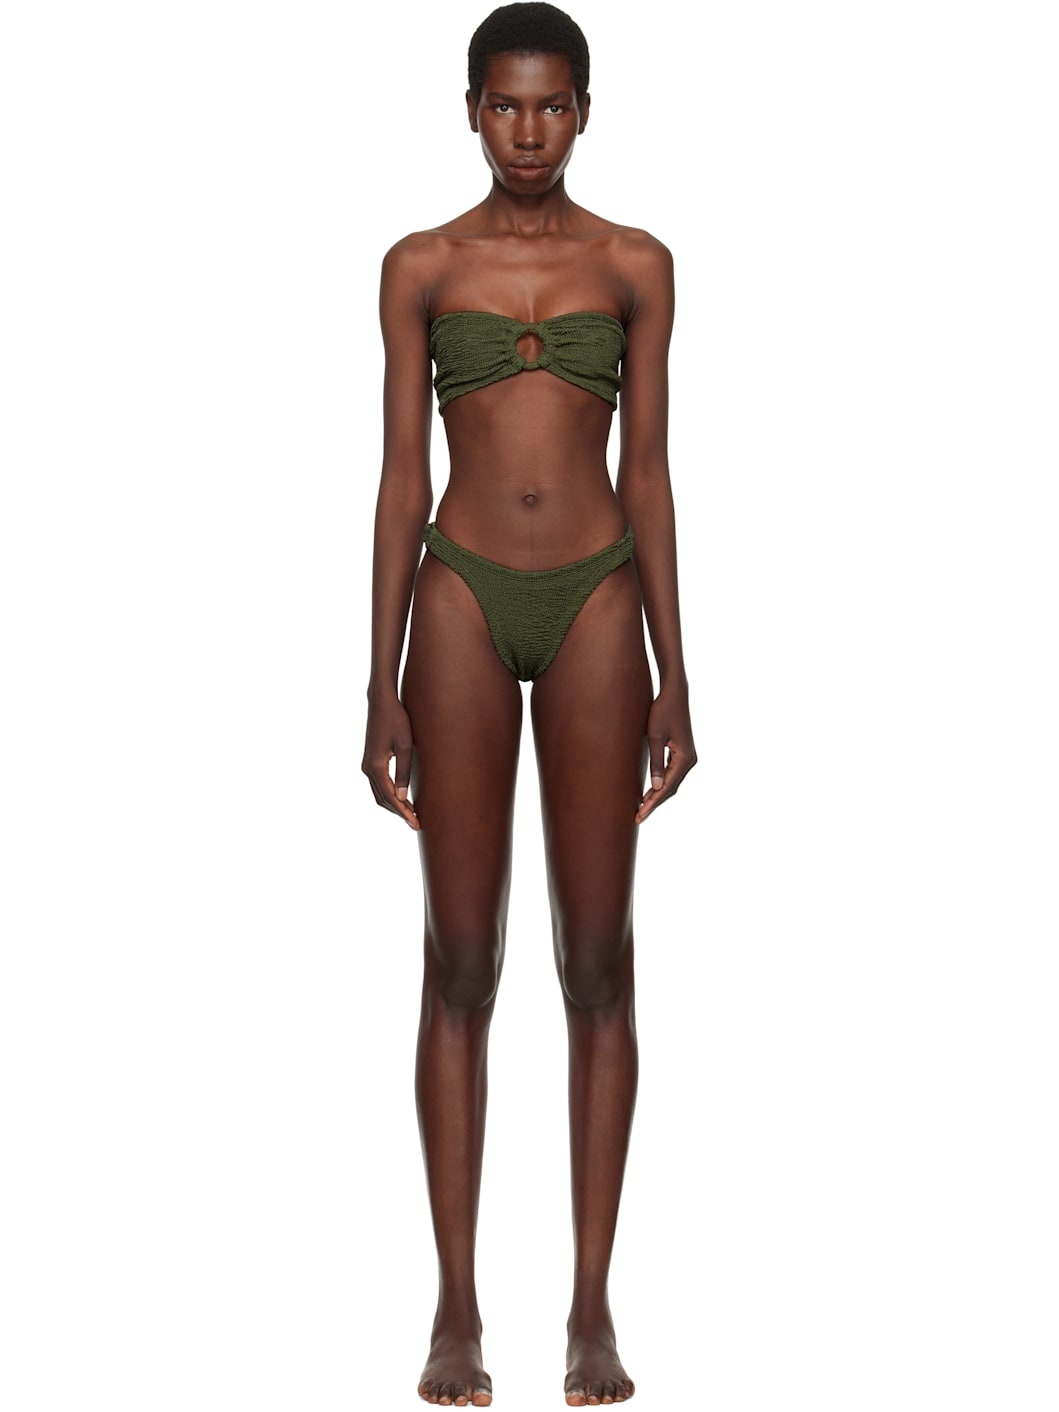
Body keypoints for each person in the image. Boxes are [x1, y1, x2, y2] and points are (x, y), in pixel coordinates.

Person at [362, 4, 697, 1404]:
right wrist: (375, 680)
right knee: (459, 959)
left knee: (600, 960)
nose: (528, 131)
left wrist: (681, 667)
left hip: (599, 597)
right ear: (470, 109)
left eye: (552, 105)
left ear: (586, 110)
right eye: (505, 105)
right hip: (458, 591)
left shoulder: (637, 264)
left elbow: (654, 470)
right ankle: (455, 1307)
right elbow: (399, 474)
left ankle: (591, 1308)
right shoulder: (421, 266)